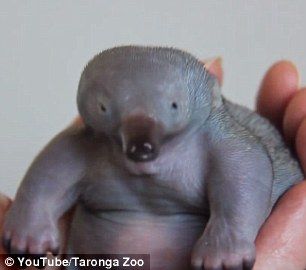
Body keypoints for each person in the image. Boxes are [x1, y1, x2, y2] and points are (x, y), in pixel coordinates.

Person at [0, 59, 305, 270]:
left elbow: (253, 176)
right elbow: (43, 187)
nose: (141, 146)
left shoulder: (222, 141)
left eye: (170, 107)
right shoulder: (86, 144)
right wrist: (32, 216)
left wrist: (230, 234)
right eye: (106, 108)